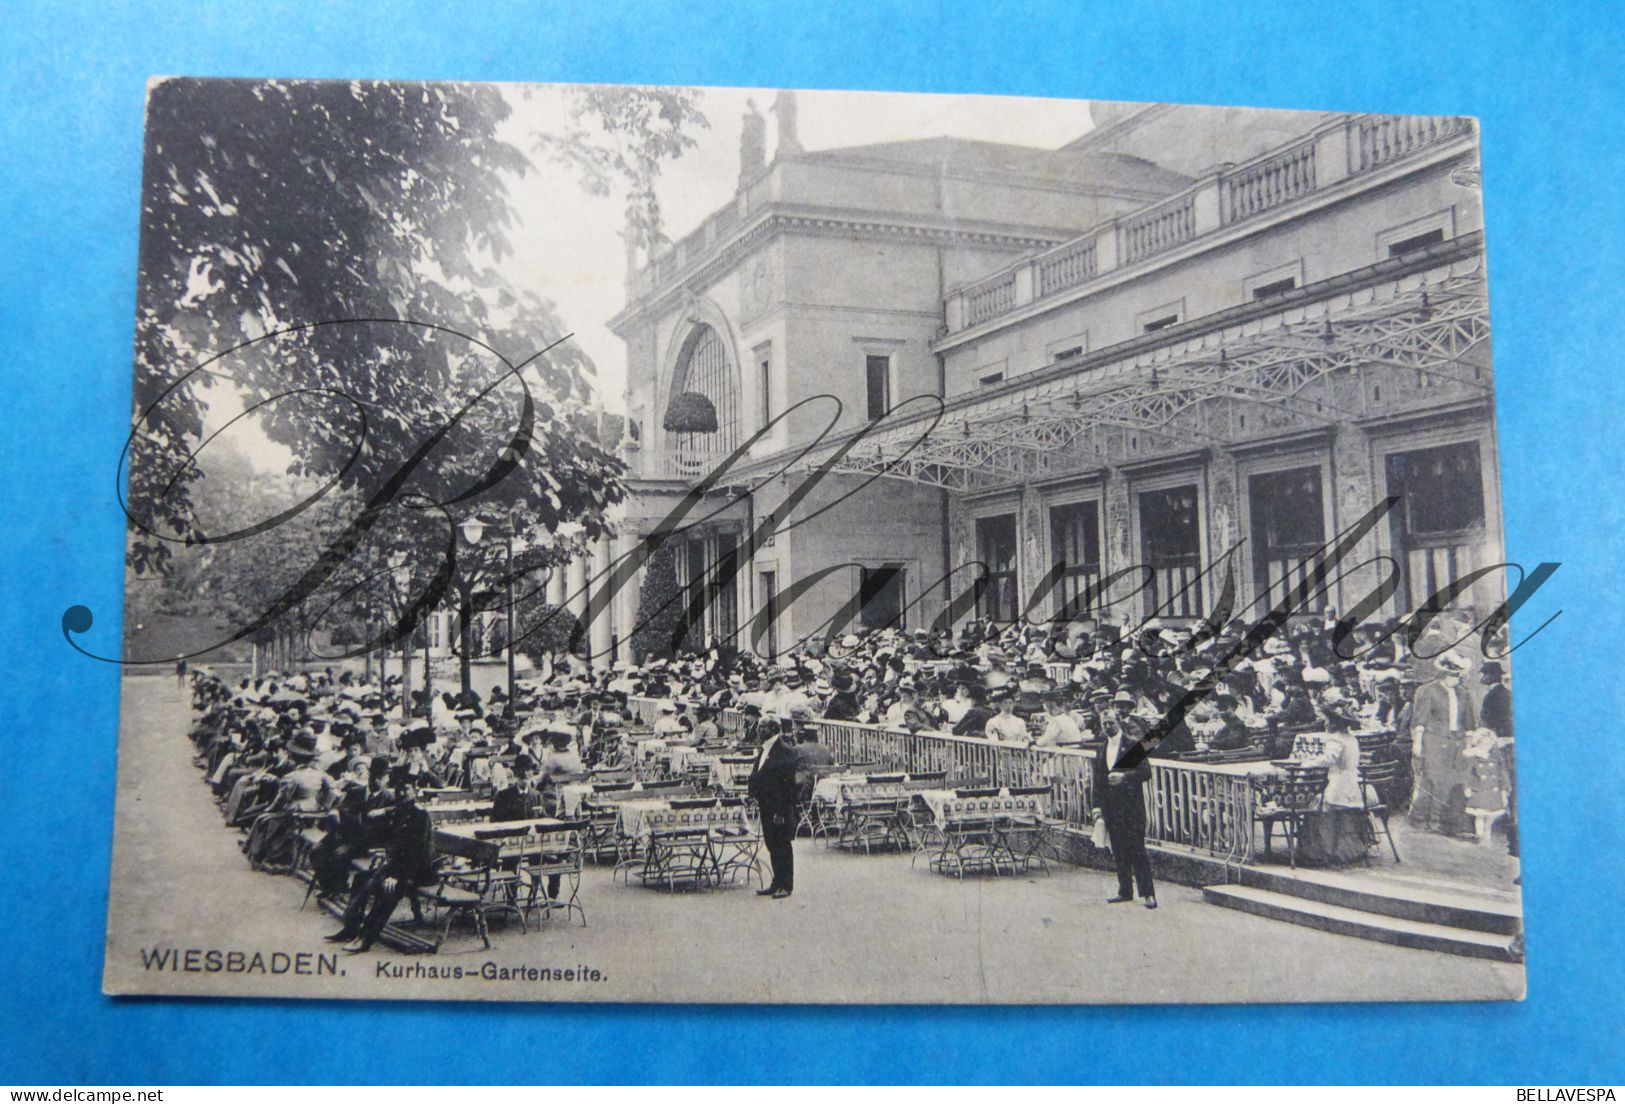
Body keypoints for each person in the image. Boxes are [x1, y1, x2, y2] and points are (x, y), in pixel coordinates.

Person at [328, 766, 438, 953]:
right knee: (360, 880)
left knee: (388, 891)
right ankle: (351, 929)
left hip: (417, 871)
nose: (402, 792)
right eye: (399, 789)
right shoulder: (399, 812)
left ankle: (365, 939)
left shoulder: (420, 815)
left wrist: (395, 875)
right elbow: (393, 844)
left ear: (415, 791)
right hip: (397, 867)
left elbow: (416, 852)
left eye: (407, 789)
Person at [1092, 701, 1157, 908]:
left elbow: (1146, 772)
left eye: (1111, 723)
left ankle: (1148, 893)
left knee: (1137, 849)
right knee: (1118, 850)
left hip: (1131, 807)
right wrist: (1096, 807)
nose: (1107, 727)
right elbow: (1098, 780)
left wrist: (1125, 778)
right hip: (1111, 807)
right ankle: (1125, 890)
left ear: (1118, 722)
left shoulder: (1131, 744)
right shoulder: (1101, 748)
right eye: (1104, 724)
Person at [1408, 651, 1478, 835]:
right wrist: (1418, 744)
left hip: (1458, 743)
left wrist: (1469, 744)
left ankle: (1449, 822)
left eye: (1456, 675)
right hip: (1434, 741)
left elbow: (1470, 723)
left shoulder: (1464, 694)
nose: (1453, 678)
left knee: (1455, 781)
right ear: (1442, 672)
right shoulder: (1428, 690)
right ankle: (1425, 819)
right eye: (1450, 674)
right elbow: (1420, 721)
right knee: (1433, 779)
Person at [1294, 728, 1375, 865]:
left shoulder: (1336, 739)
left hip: (1339, 787)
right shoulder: (1351, 738)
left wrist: (1308, 762)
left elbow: (1328, 759)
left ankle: (1320, 851)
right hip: (1354, 783)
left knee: (1315, 805)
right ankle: (1344, 849)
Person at [748, 719, 800, 899]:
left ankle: (786, 884)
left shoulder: (784, 751)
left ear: (773, 729)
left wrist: (781, 812)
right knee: (772, 843)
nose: (758, 729)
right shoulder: (765, 749)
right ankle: (776, 881)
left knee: (782, 844)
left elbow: (787, 786)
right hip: (766, 803)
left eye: (762, 727)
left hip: (779, 806)